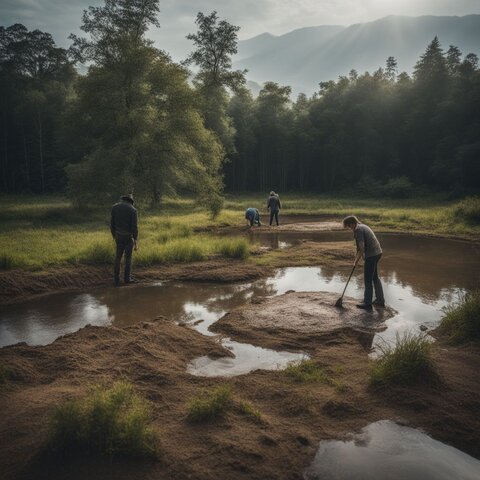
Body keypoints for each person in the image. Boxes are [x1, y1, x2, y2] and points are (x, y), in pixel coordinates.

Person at [342, 215, 385, 310]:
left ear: (352, 223)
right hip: (378, 253)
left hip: (372, 255)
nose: (349, 228)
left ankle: (367, 303)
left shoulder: (358, 230)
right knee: (374, 277)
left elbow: (361, 248)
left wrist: (356, 261)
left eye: (349, 226)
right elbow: (360, 249)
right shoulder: (362, 226)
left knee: (368, 280)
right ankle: (380, 300)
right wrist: (357, 260)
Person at [111, 194, 138, 286]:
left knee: (118, 257)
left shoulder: (114, 207)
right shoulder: (133, 210)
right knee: (128, 258)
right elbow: (134, 227)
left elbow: (112, 223)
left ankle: (116, 279)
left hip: (118, 236)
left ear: (123, 200)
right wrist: (135, 239)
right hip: (128, 237)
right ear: (131, 201)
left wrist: (114, 235)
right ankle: (127, 278)